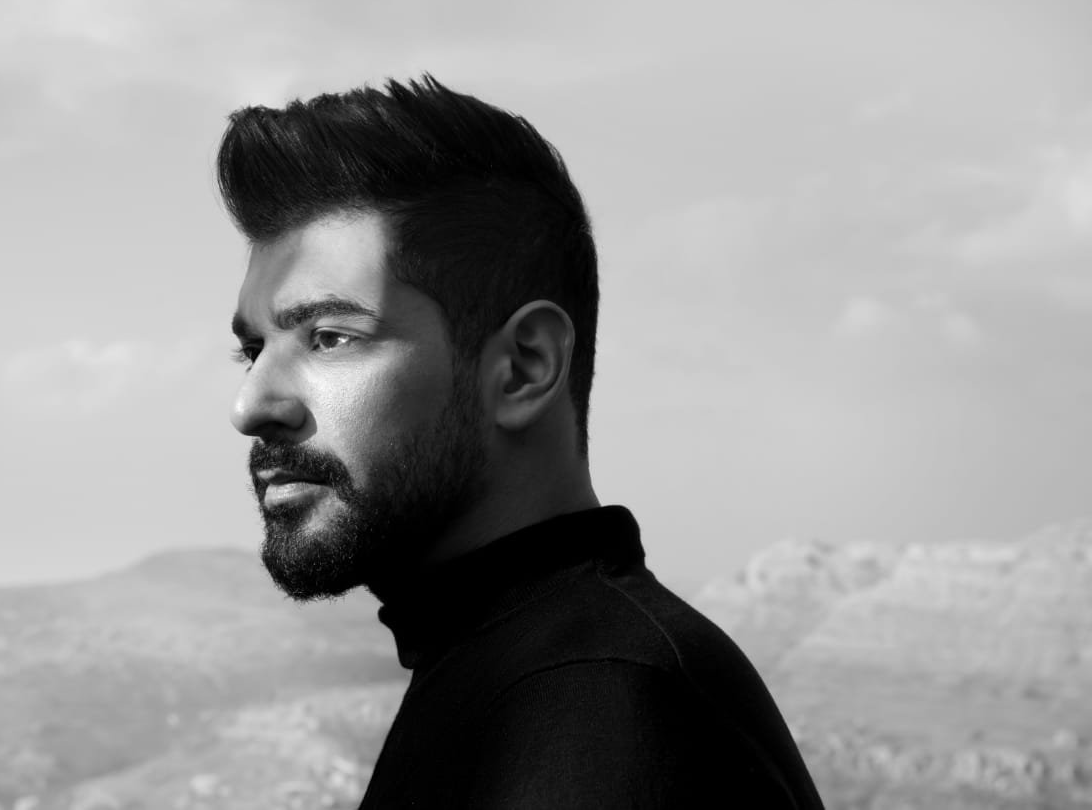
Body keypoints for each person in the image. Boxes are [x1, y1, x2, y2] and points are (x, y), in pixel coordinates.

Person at [218, 76, 825, 809]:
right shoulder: (516, 674)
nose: (251, 405)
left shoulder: (595, 711)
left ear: (525, 368)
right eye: (253, 349)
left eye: (329, 337)